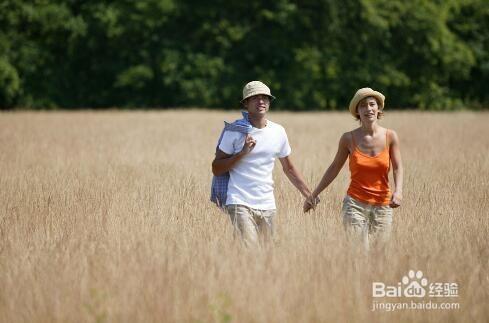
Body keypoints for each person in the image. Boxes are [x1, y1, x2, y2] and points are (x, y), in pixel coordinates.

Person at [212, 81, 316, 246]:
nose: (261, 101)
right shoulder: (235, 131)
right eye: (255, 98)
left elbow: (289, 168)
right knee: (250, 253)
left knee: (268, 255)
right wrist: (242, 153)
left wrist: (309, 195)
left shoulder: (278, 131)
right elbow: (216, 168)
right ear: (246, 103)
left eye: (265, 98)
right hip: (239, 202)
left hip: (268, 204)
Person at [304, 87, 403, 251]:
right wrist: (313, 195)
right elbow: (334, 168)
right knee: (358, 255)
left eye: (372, 104)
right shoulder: (348, 138)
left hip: (383, 205)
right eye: (363, 105)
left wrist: (398, 191)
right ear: (357, 111)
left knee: (380, 255)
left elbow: (398, 167)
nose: (368, 109)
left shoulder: (390, 136)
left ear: (378, 108)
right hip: (355, 205)